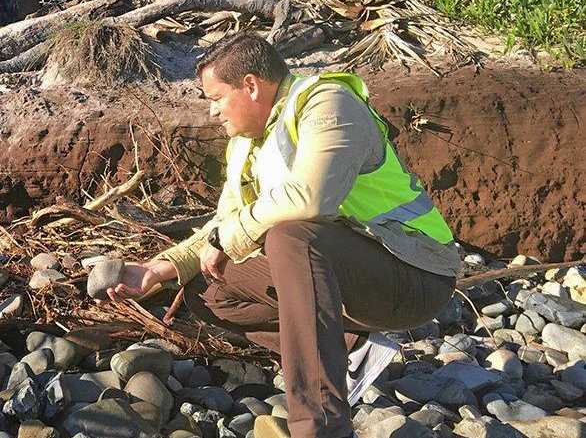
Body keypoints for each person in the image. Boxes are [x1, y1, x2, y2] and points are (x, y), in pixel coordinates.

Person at [104, 31, 460, 438]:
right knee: (209, 289)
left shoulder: (328, 104)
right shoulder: (246, 145)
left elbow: (310, 199)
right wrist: (160, 267)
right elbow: (223, 227)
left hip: (416, 275)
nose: (212, 113)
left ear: (251, 86)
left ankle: (320, 425)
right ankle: (351, 349)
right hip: (347, 277)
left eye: (216, 98)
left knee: (292, 237)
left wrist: (228, 238)